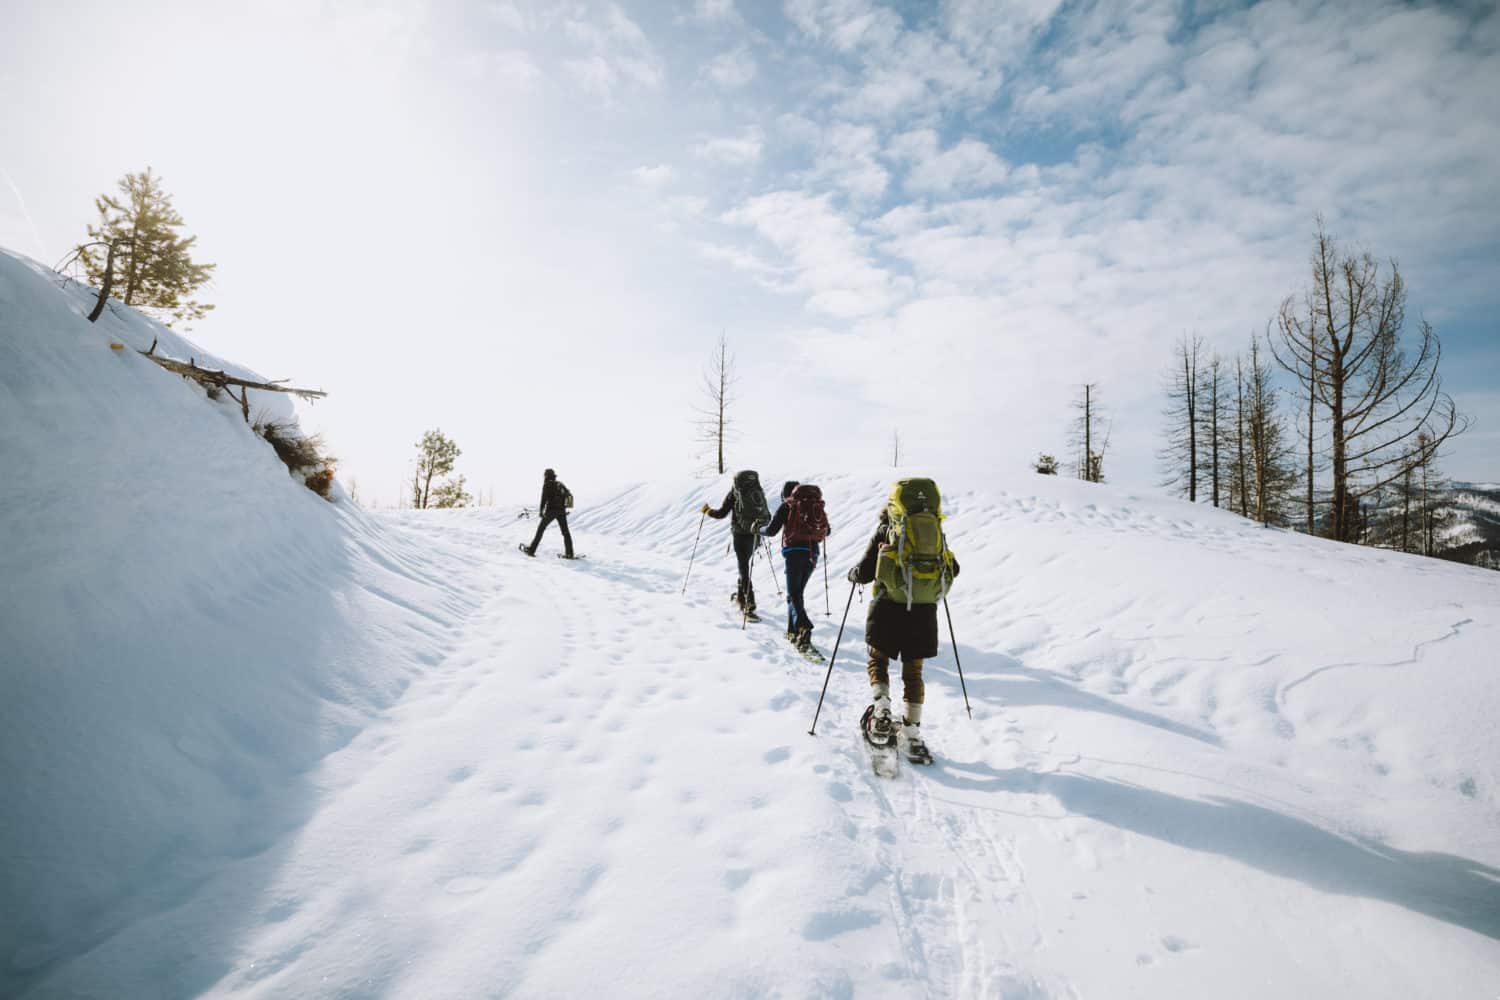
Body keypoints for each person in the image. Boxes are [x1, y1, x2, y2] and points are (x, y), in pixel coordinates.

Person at [846, 479, 959, 761]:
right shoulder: (935, 530)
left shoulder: (887, 528)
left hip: (887, 606)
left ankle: (882, 710)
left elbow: (864, 572)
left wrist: (852, 575)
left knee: (878, 660)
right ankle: (912, 734)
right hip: (922, 610)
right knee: (914, 674)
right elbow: (953, 568)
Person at [763, 480, 827, 651]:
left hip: (794, 553)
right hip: (813, 553)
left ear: (785, 494)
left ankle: (804, 626)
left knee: (794, 593)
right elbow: (827, 530)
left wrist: (758, 529)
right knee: (797, 594)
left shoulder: (788, 506)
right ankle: (792, 630)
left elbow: (770, 531)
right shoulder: (813, 505)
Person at [701, 470, 770, 617]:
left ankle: (749, 602)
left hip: (740, 535)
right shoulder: (757, 492)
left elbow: (721, 513)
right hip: (755, 535)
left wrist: (707, 511)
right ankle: (741, 596)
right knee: (744, 566)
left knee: (743, 568)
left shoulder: (735, 493)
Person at [523, 468, 574, 558]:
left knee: (541, 529)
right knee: (565, 532)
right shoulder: (560, 484)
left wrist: (541, 511)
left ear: (546, 475)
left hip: (551, 511)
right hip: (561, 511)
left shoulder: (547, 484)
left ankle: (531, 550)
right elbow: (568, 495)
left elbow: (543, 499)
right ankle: (569, 553)